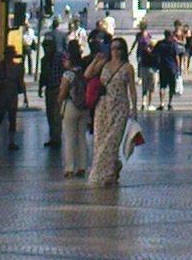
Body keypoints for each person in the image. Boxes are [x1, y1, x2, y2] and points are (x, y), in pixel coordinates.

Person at [88, 38, 138, 187]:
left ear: (123, 50)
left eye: (118, 48)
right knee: (100, 141)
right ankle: (112, 167)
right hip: (103, 106)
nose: (115, 51)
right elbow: (88, 74)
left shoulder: (127, 67)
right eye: (113, 48)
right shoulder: (104, 64)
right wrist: (95, 60)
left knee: (111, 141)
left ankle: (103, 173)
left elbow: (132, 88)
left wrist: (134, 107)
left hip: (119, 107)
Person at [58, 44, 90, 177]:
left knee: (70, 138)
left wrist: (58, 103)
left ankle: (69, 168)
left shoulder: (68, 74)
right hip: (84, 107)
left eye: (66, 59)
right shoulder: (84, 72)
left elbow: (62, 92)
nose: (64, 61)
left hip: (71, 106)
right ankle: (82, 167)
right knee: (82, 137)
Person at [151, 28, 181, 111]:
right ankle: (170, 103)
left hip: (162, 67)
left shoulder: (160, 44)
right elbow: (176, 57)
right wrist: (178, 68)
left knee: (162, 86)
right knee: (171, 86)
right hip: (172, 67)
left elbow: (154, 53)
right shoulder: (173, 44)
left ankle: (162, 103)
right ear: (171, 35)